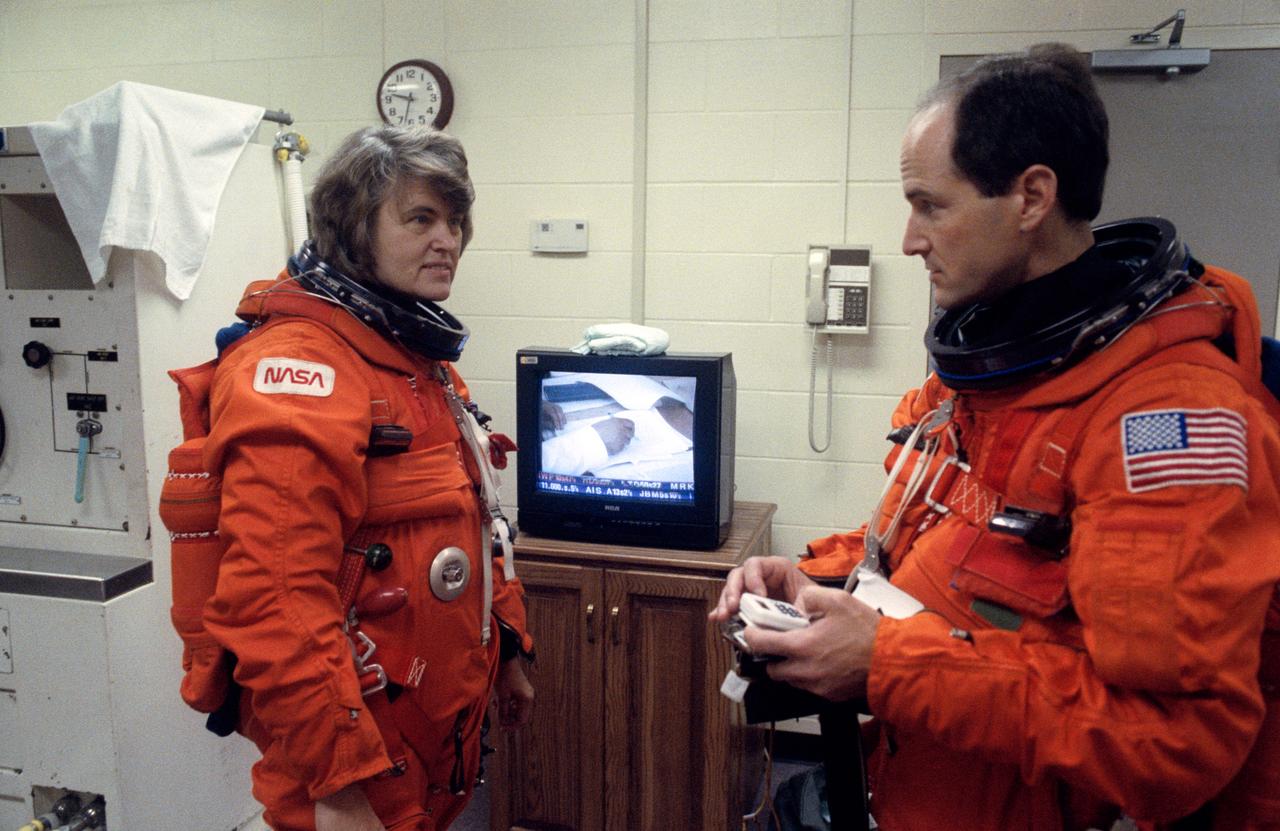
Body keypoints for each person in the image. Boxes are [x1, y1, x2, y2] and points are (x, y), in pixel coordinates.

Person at [711, 43, 1280, 831]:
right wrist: (816, 583)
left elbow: (1175, 741)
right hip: (916, 786)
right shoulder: (986, 376)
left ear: (1031, 196)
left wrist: (886, 662)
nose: (909, 239)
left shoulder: (1163, 420)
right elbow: (953, 540)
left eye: (930, 205)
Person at [199, 126, 534, 831]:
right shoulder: (300, 371)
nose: (449, 239)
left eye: (456, 220)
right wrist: (344, 781)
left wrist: (506, 648)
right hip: (353, 772)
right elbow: (274, 598)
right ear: (356, 227)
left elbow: (480, 518)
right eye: (421, 218)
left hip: (431, 748)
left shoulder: (419, 361)